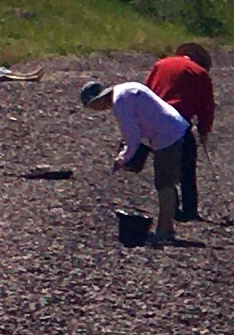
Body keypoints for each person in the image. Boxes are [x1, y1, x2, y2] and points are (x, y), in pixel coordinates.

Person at [79, 74, 192, 236]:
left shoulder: (120, 103)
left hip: (167, 135)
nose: (98, 110)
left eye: (93, 107)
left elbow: (133, 139)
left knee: (164, 184)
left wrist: (122, 159)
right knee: (166, 182)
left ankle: (165, 230)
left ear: (98, 100)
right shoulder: (127, 89)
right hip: (173, 125)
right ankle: (165, 227)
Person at [146, 42, 214, 221]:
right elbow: (206, 107)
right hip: (179, 122)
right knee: (187, 168)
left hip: (156, 119)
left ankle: (172, 208)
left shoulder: (160, 65)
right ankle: (189, 210)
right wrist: (204, 130)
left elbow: (148, 91)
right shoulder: (199, 73)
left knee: (164, 166)